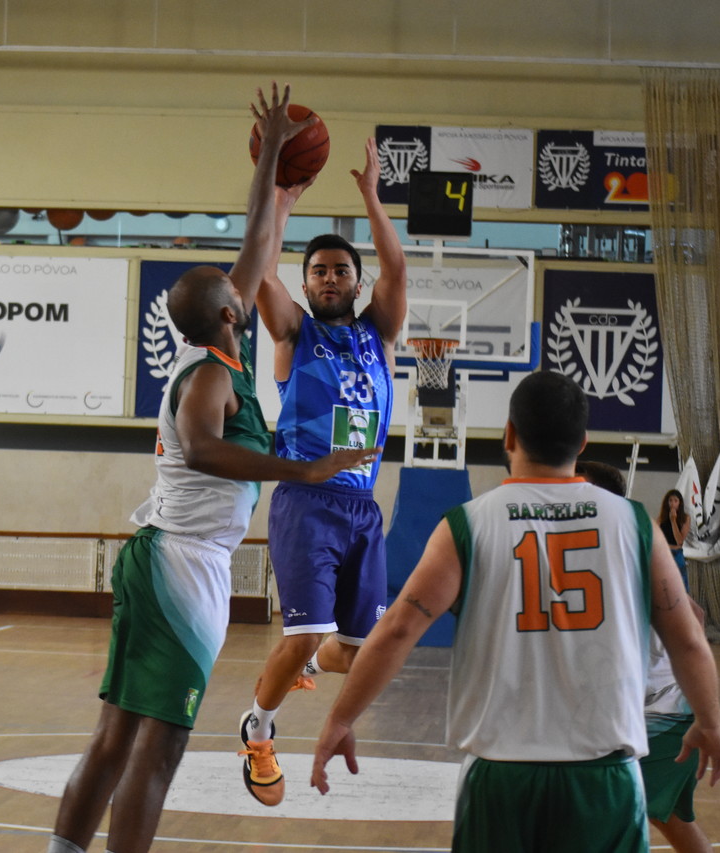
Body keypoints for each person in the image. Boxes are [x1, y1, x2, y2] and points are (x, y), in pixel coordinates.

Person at [45, 84, 380, 853]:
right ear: (230, 312)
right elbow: (201, 448)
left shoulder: (216, 347)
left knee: (114, 737)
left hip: (164, 558)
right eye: (236, 290)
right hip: (181, 570)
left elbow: (258, 245)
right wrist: (304, 470)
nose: (247, 282)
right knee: (155, 753)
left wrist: (275, 176)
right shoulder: (208, 379)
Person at [310, 371, 720, 853]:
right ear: (583, 443)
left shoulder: (468, 524)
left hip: (501, 777)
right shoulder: (634, 524)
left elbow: (399, 629)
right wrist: (711, 722)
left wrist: (341, 718)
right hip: (603, 777)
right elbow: (688, 640)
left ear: (509, 434)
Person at [238, 132, 408, 806]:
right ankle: (258, 724)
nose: (330, 278)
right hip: (307, 501)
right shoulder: (292, 334)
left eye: (341, 270)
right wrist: (281, 200)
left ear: (355, 282)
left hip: (362, 508)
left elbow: (398, 271)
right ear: (307, 285)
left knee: (363, 655)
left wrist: (370, 194)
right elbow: (257, 272)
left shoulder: (379, 333)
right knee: (307, 629)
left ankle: (308, 658)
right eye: (319, 272)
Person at [578, 460, 715, 852]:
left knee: (602, 815)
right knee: (669, 820)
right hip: (641, 711)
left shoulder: (630, 548)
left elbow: (694, 626)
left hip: (660, 715)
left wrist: (709, 717)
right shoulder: (604, 546)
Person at [658, 488, 691, 588]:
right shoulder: (662, 518)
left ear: (680, 503)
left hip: (677, 554)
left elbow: (679, 541)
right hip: (665, 553)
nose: (672, 503)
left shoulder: (685, 518)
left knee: (680, 585)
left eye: (675, 501)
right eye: (670, 500)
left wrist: (673, 521)